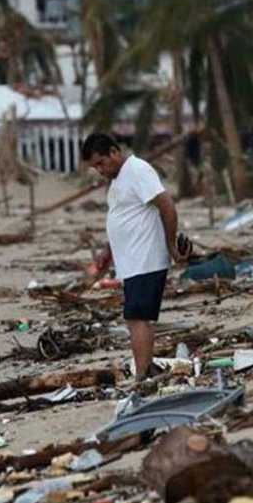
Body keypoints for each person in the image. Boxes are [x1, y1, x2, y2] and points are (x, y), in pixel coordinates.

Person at [81, 132, 190, 383]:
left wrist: (171, 245)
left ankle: (141, 377)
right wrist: (108, 252)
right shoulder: (119, 179)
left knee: (137, 317)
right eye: (95, 166)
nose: (99, 170)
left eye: (101, 163)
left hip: (146, 258)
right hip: (132, 262)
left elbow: (166, 205)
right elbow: (124, 216)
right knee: (138, 318)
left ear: (114, 152)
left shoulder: (138, 170)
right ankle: (147, 369)